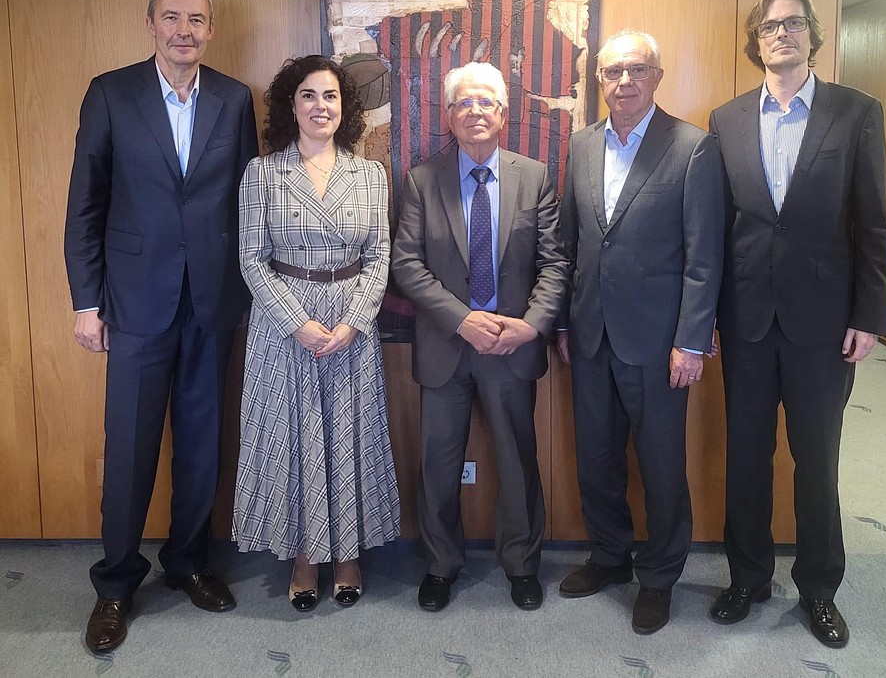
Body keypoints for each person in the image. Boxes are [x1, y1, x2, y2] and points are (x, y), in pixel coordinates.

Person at [65, 0, 258, 653]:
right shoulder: (111, 93)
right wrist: (87, 302)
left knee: (203, 443)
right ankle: (116, 583)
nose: (184, 30)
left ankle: (188, 562)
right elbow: (85, 205)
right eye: (172, 17)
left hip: (212, 300)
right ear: (150, 24)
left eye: (196, 19)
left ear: (211, 29)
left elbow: (247, 203)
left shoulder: (234, 99)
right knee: (129, 449)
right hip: (134, 303)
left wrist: (253, 293)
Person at [707, 0, 886, 648]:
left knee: (817, 461)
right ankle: (748, 578)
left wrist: (871, 314)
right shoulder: (727, 119)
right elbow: (717, 227)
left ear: (812, 35)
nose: (780, 33)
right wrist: (705, 319)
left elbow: (873, 222)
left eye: (792, 23)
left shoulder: (856, 112)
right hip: (747, 321)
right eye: (768, 26)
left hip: (824, 324)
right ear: (755, 41)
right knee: (746, 459)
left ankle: (819, 588)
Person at [556, 31, 724, 634]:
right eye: (612, 71)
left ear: (657, 76)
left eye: (636, 69)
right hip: (590, 335)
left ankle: (658, 577)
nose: (623, 81)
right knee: (596, 459)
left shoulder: (692, 147)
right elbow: (570, 244)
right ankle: (609, 557)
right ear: (598, 80)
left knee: (661, 466)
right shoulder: (580, 145)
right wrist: (564, 321)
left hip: (658, 343)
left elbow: (704, 257)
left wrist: (691, 339)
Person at [391, 61, 568, 613]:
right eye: (463, 103)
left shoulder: (534, 177)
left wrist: (531, 324)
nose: (474, 111)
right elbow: (406, 263)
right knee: (438, 464)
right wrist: (461, 319)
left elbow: (555, 263)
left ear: (504, 113)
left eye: (485, 101)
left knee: (518, 461)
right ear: (448, 115)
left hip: (511, 346)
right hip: (447, 346)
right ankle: (440, 565)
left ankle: (522, 564)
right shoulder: (422, 180)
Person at [232, 55, 401, 612]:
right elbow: (252, 259)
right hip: (285, 323)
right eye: (308, 95)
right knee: (294, 438)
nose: (320, 106)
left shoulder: (370, 175)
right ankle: (304, 556)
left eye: (330, 96)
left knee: (348, 437)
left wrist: (353, 321)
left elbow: (379, 258)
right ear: (291, 105)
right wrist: (297, 323)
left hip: (350, 322)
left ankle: (348, 553)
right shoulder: (262, 174)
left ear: (345, 108)